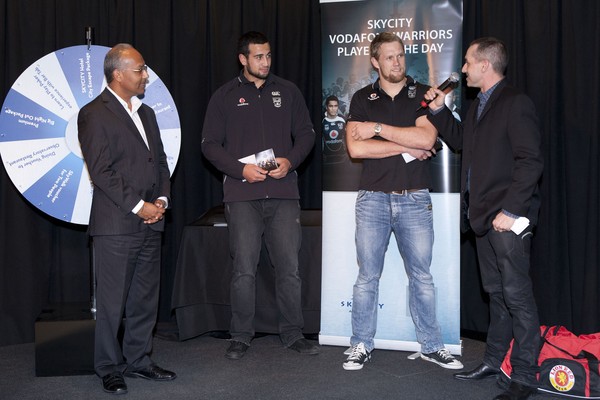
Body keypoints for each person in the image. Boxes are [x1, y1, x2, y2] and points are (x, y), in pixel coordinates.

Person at [425, 37, 543, 400]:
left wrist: (512, 210)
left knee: (517, 297)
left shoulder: (515, 102)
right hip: (482, 218)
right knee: (496, 295)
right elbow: (463, 141)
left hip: (507, 219)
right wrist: (441, 110)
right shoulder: (479, 105)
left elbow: (530, 160)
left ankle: (525, 375)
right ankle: (494, 360)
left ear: (484, 65)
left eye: (467, 62)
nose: (462, 69)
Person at [342, 32, 463, 371]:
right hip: (373, 199)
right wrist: (405, 144)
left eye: (400, 55)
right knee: (367, 276)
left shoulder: (422, 94)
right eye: (389, 57)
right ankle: (361, 344)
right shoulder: (362, 97)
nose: (397, 62)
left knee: (422, 276)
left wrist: (377, 127)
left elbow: (426, 137)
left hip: (414, 198)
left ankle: (431, 345)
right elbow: (357, 148)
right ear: (375, 61)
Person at [201, 31, 318, 360]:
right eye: (258, 57)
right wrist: (241, 171)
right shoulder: (224, 96)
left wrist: (290, 160)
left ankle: (293, 333)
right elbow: (208, 144)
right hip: (241, 196)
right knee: (244, 270)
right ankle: (240, 335)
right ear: (243, 59)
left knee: (289, 268)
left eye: (268, 56)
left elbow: (307, 133)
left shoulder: (289, 91)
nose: (266, 62)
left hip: (283, 194)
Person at [78, 43, 176, 394]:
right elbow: (102, 171)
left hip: (152, 220)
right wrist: (139, 205)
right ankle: (108, 367)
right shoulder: (93, 113)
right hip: (117, 224)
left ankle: (138, 361)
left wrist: (161, 199)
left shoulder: (147, 113)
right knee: (111, 302)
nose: (145, 74)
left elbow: (160, 162)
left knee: (144, 298)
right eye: (140, 69)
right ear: (117, 74)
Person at [322, 95, 347, 164]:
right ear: (327, 107)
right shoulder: (322, 121)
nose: (333, 109)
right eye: (331, 106)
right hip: (326, 158)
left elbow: (347, 137)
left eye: (335, 106)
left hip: (342, 157)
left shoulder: (343, 120)